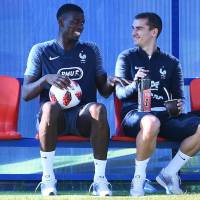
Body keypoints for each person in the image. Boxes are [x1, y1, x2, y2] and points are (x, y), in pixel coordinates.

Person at [22, 3, 126, 196]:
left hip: (82, 117)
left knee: (99, 109)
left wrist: (111, 81)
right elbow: (26, 93)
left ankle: (100, 181)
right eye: (75, 22)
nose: (80, 26)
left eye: (83, 22)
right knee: (49, 108)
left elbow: (103, 91)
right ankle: (48, 179)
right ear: (61, 22)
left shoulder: (91, 50)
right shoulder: (41, 51)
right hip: (54, 120)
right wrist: (46, 79)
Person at [115, 12, 200, 196]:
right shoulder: (126, 57)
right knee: (151, 122)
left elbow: (179, 98)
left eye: (139, 28)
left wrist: (177, 106)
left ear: (154, 32)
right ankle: (138, 181)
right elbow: (120, 94)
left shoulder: (171, 62)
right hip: (135, 116)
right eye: (133, 28)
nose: (134, 33)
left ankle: (168, 173)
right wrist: (135, 84)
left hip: (165, 117)